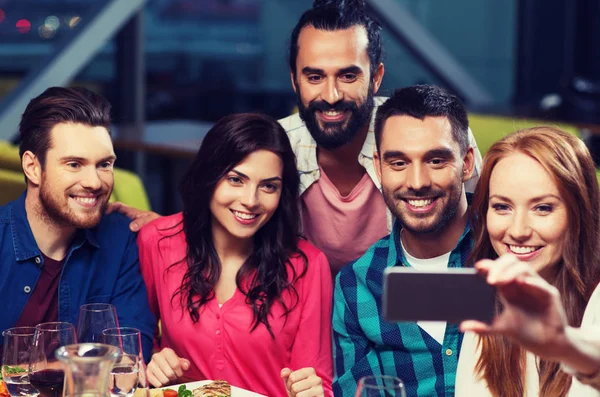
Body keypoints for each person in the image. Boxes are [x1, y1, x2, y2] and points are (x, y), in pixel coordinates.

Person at [110, 0, 483, 276]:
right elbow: (234, 215)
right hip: (305, 320)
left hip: (405, 316)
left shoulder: (428, 136)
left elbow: (488, 230)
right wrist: (165, 228)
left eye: (349, 76)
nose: (332, 95)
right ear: (294, 80)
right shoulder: (278, 145)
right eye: (315, 76)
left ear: (377, 77)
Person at [137, 113, 333, 397]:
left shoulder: (308, 266)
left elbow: (318, 382)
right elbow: (132, 344)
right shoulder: (157, 241)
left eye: (269, 186)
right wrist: (153, 360)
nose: (251, 201)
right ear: (209, 176)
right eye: (235, 179)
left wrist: (312, 391)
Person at [332, 85, 476, 396]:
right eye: (398, 163)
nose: (417, 182)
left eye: (436, 160)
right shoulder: (357, 285)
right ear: (378, 166)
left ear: (466, 163)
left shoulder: (510, 250)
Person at [0, 87, 155, 360]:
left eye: (104, 164)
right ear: (33, 167)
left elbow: (132, 353)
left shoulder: (121, 238)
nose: (95, 182)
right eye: (74, 164)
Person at [456, 127, 600, 397]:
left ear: (581, 212)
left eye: (543, 208)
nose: (519, 230)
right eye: (502, 207)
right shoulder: (489, 299)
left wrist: (564, 344)